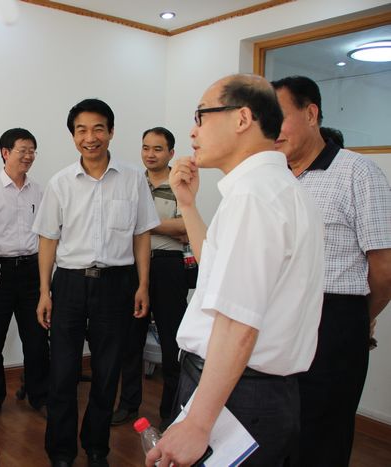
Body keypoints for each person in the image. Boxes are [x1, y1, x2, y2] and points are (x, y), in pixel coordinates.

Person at [146, 74, 325, 466]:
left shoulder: (253, 196)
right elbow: (215, 268)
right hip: (251, 391)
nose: (193, 131)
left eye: (201, 116)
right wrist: (187, 205)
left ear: (242, 118)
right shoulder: (277, 187)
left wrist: (197, 423)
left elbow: (237, 324)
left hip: (237, 395)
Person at [271, 75, 391, 466]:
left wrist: (360, 317)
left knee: (322, 436)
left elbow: (384, 268)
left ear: (311, 114)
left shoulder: (358, 173)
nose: (272, 129)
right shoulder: (272, 177)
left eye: (279, 117)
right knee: (277, 428)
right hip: (275, 317)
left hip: (334, 320)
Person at [34, 98, 159, 467]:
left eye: (98, 129)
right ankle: (60, 452)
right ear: (73, 136)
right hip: (69, 284)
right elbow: (47, 239)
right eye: (81, 130)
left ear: (111, 132)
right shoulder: (60, 182)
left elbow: (141, 234)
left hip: (116, 284)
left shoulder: (133, 178)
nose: (90, 137)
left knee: (107, 373)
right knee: (62, 373)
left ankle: (96, 448)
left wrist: (143, 284)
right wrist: (44, 291)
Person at [112, 127, 189, 431]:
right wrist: (165, 225)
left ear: (171, 153)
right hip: (133, 266)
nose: (150, 154)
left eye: (158, 149)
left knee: (172, 342)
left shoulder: (181, 183)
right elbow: (121, 224)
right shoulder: (133, 182)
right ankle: (128, 404)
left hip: (169, 267)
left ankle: (171, 411)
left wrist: (143, 223)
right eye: (146, 148)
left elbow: (185, 228)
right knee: (131, 341)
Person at [0, 128, 49, 417]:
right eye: (23, 150)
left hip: (32, 268)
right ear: (5, 153)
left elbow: (46, 234)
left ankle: (38, 394)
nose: (29, 156)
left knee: (37, 338)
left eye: (32, 151)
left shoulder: (39, 191)